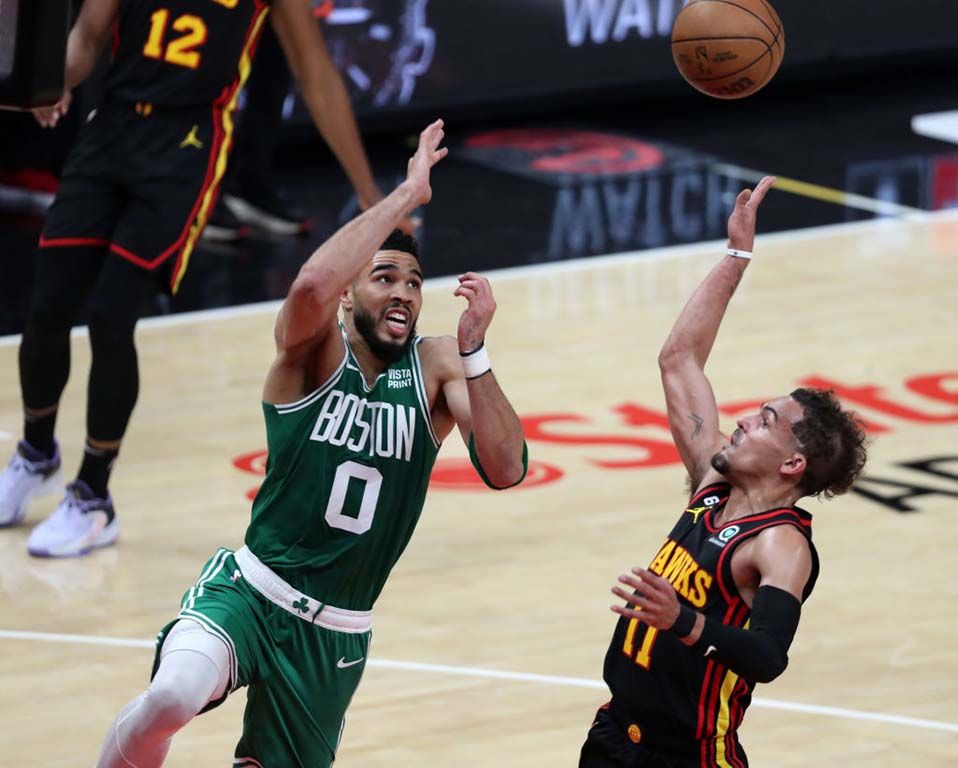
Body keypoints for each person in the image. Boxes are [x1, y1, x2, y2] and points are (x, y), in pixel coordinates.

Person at [95, 119, 528, 767]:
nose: (404, 292)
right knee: (173, 695)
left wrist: (475, 353)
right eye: (385, 277)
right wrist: (405, 197)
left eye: (413, 282)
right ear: (349, 292)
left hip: (335, 635)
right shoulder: (315, 352)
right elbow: (306, 288)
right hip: (251, 592)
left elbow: (507, 467)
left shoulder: (436, 366)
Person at [0, 0, 403, 556]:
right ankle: (36, 452)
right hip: (112, 125)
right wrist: (46, 84)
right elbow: (87, 38)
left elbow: (315, 74)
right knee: (48, 303)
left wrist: (367, 193)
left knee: (112, 316)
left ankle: (93, 497)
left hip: (186, 146)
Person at [580, 176, 868, 768]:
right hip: (613, 738)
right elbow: (679, 358)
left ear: (793, 463)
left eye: (764, 422)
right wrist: (736, 256)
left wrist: (681, 619)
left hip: (689, 758)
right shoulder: (714, 487)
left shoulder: (781, 545)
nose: (740, 422)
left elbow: (767, 657)